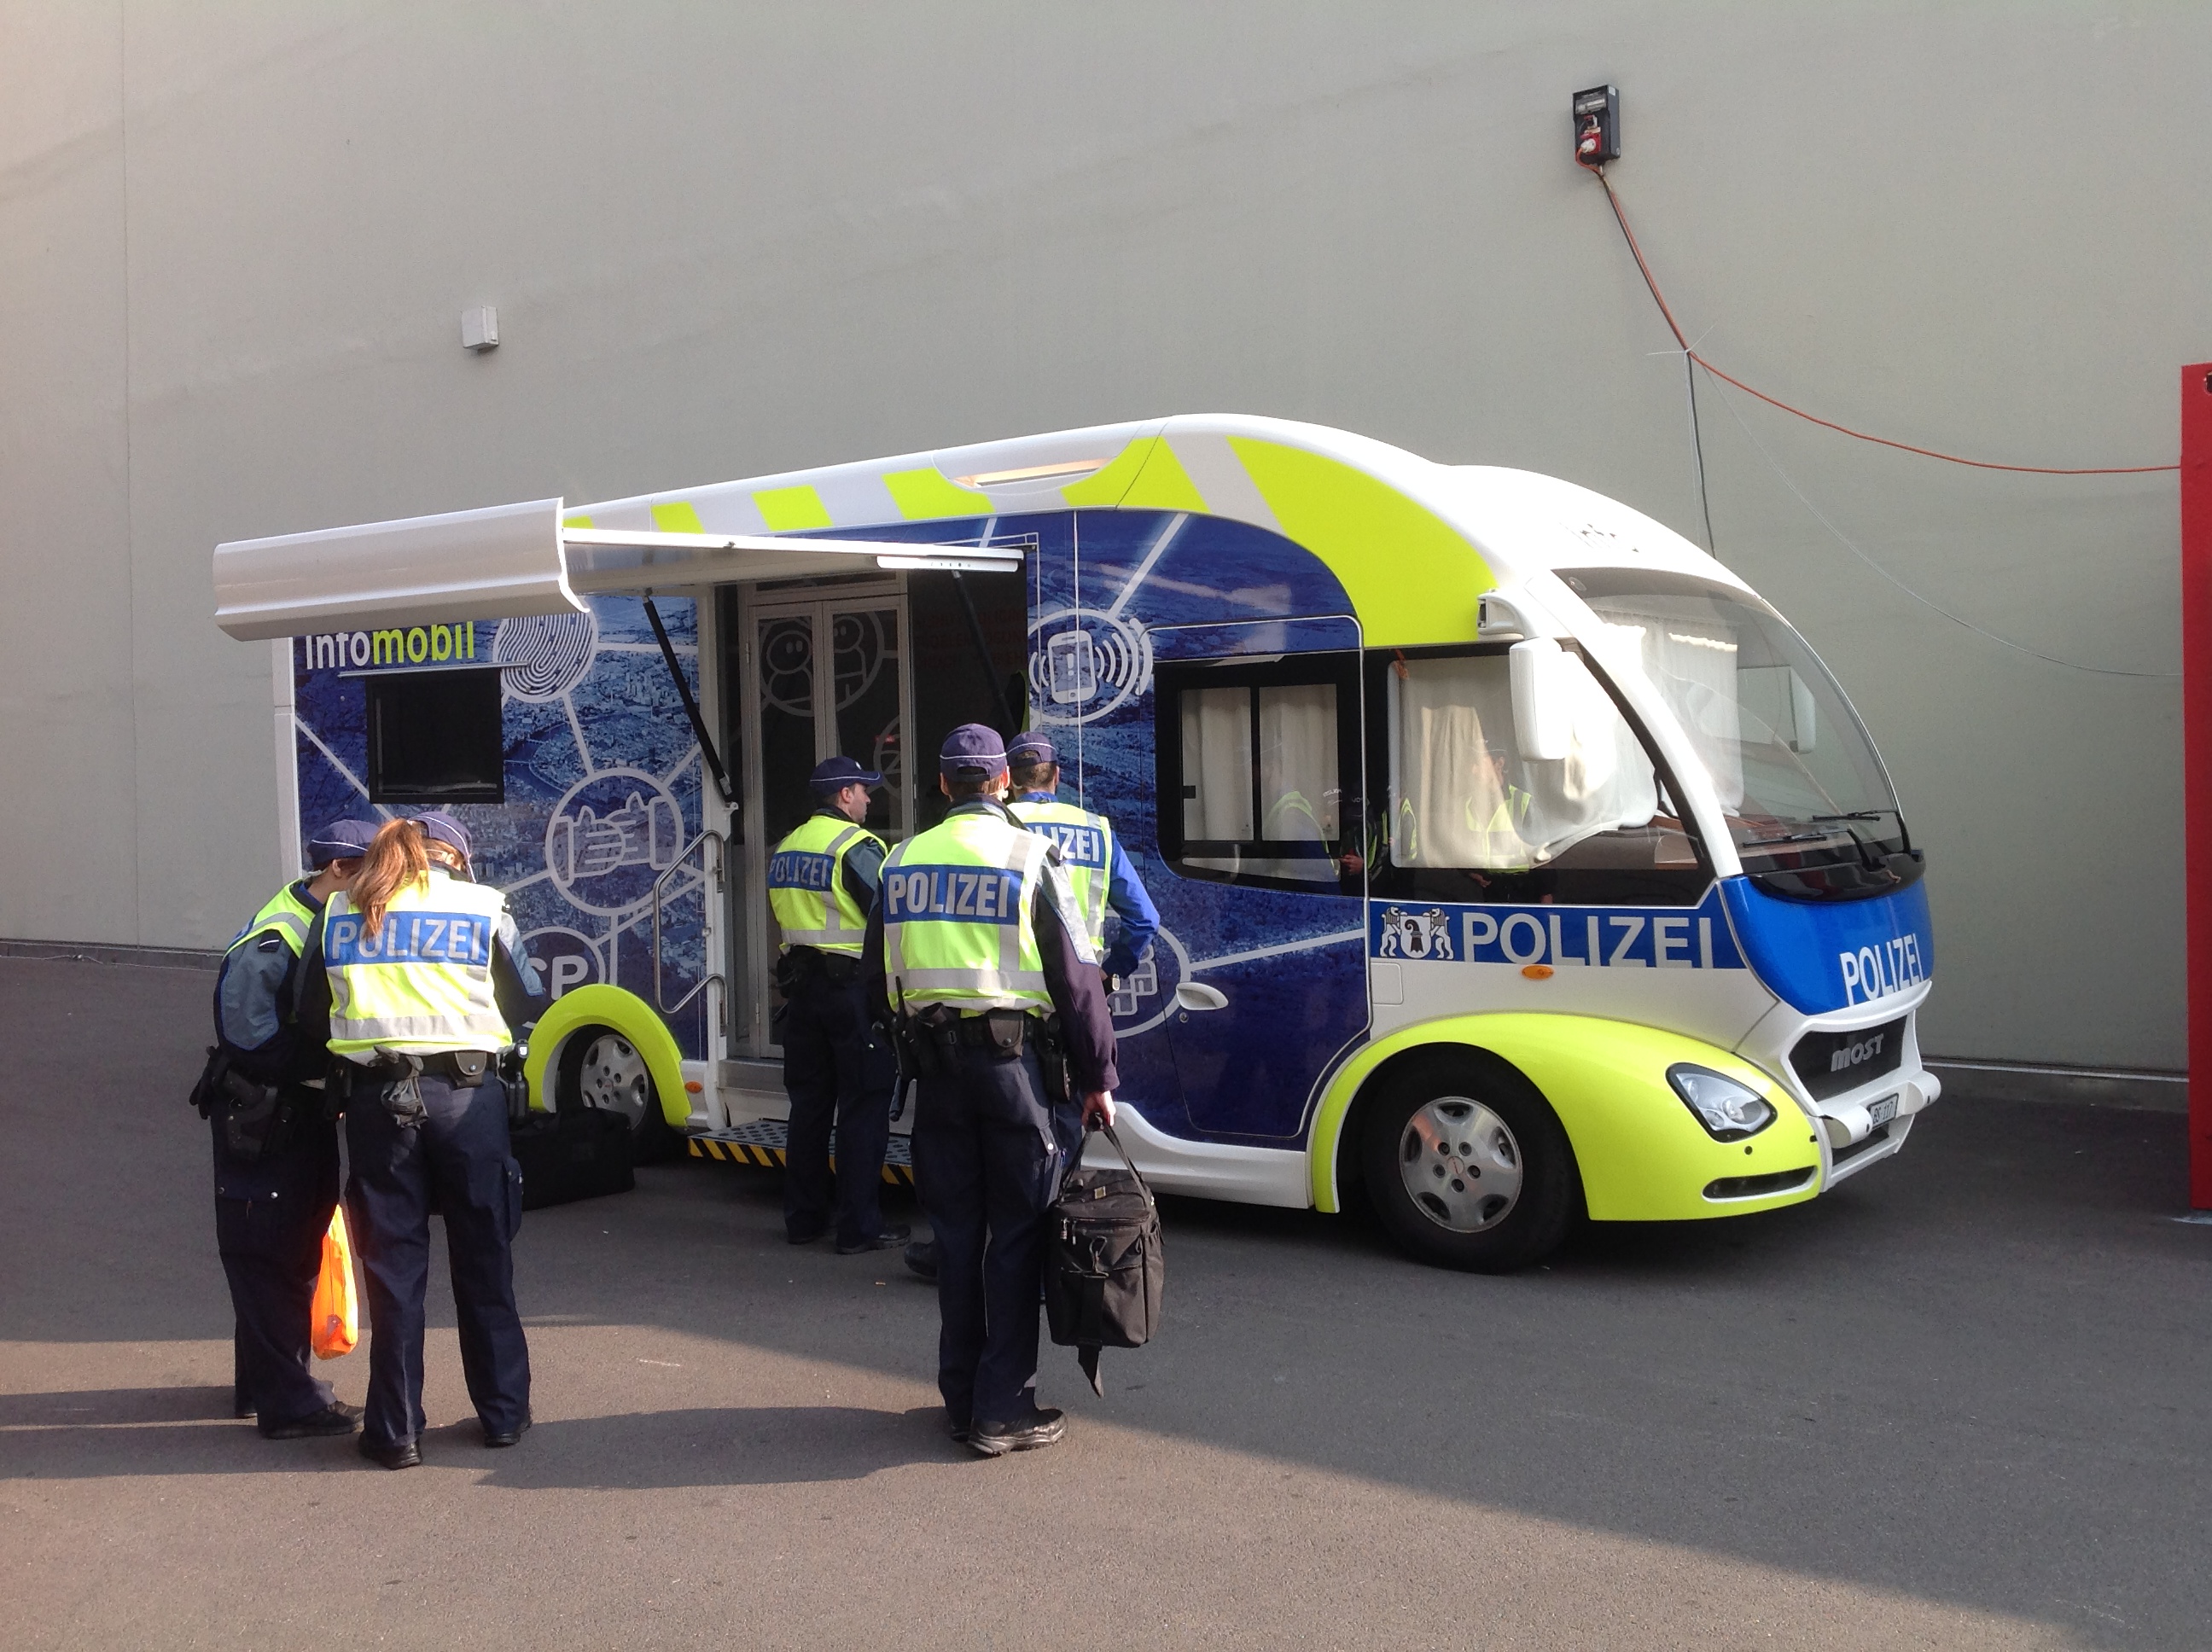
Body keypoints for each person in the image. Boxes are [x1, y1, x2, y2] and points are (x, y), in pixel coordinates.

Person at [864, 724, 1118, 1457]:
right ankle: (1002, 1409)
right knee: (1016, 1237)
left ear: (944, 784)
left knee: (955, 1238)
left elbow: (873, 980)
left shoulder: (900, 861)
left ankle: (960, 1399)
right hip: (1015, 1079)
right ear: (1002, 782)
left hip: (936, 1077)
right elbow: (1078, 982)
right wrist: (1098, 1077)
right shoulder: (1030, 857)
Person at [310, 811, 545, 1470]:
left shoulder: (342, 911)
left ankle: (395, 1433)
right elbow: (526, 997)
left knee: (394, 1273)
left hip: (379, 1103)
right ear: (456, 859)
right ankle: (503, 1415)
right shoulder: (482, 906)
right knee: (484, 1258)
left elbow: (308, 1010)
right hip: (468, 1100)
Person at [903, 730, 1156, 1283]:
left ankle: (963, 1259)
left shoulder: (986, 837)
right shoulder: (1093, 832)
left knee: (973, 1167)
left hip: (992, 1016)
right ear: (1054, 776)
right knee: (1051, 1147)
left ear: (1008, 781)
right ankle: (1053, 1263)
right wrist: (1109, 972)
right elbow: (1144, 920)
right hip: (1071, 1008)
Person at [207, 817, 378, 1440]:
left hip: (292, 1112)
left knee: (291, 1249)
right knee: (269, 1254)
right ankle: (290, 1406)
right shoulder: (280, 936)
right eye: (369, 876)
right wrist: (331, 1064)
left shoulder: (319, 916)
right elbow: (248, 1037)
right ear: (338, 869)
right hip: (267, 1115)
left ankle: (263, 1385)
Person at [767, 756, 907, 1254]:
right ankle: (858, 1228)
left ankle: (803, 1220)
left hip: (802, 992)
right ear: (845, 795)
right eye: (864, 790)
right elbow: (888, 915)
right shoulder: (855, 846)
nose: (869, 798)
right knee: (862, 1107)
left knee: (808, 1107)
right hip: (850, 996)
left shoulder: (786, 847)